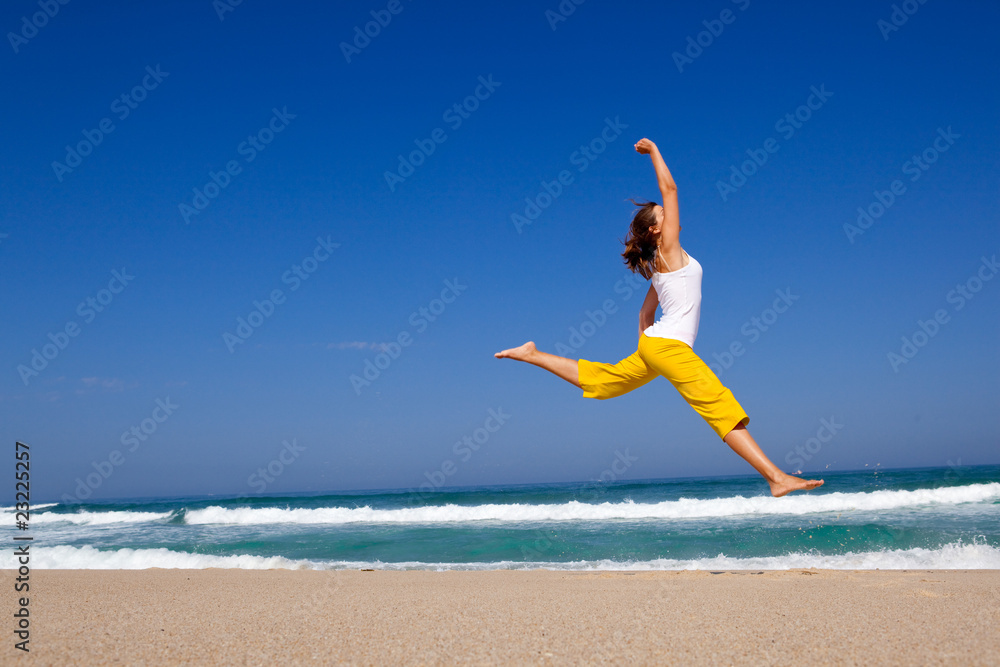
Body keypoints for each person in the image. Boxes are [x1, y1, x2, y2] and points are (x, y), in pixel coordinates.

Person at [495, 137, 824, 497]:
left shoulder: (663, 267)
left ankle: (533, 354)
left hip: (658, 344)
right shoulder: (667, 250)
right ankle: (775, 478)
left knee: (606, 381)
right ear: (656, 230)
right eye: (663, 216)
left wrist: (646, 346)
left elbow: (645, 311)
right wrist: (653, 152)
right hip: (666, 346)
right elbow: (670, 187)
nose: (671, 216)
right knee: (716, 401)